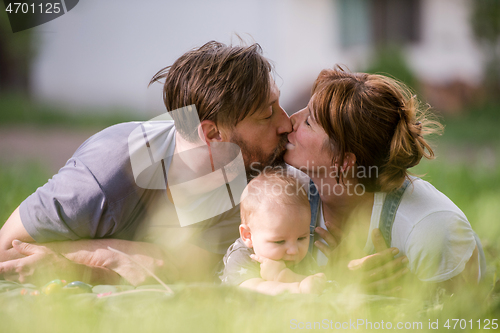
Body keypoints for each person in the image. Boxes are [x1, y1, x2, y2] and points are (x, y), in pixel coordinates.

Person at [0, 40, 293, 285]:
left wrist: (91, 260)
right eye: (267, 115)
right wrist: (124, 257)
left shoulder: (250, 178)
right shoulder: (103, 176)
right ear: (212, 134)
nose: (287, 123)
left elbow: (180, 270)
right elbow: (7, 252)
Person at [284, 66, 486, 294]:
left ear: (343, 160)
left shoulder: (430, 227)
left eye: (309, 122)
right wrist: (337, 282)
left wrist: (402, 295)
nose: (291, 120)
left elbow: (465, 319)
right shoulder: (285, 192)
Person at [220, 170, 326, 295]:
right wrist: (293, 285)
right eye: (279, 241)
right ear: (247, 235)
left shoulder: (303, 258)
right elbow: (252, 290)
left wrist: (288, 277)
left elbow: (317, 285)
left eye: (301, 238)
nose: (293, 250)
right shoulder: (241, 255)